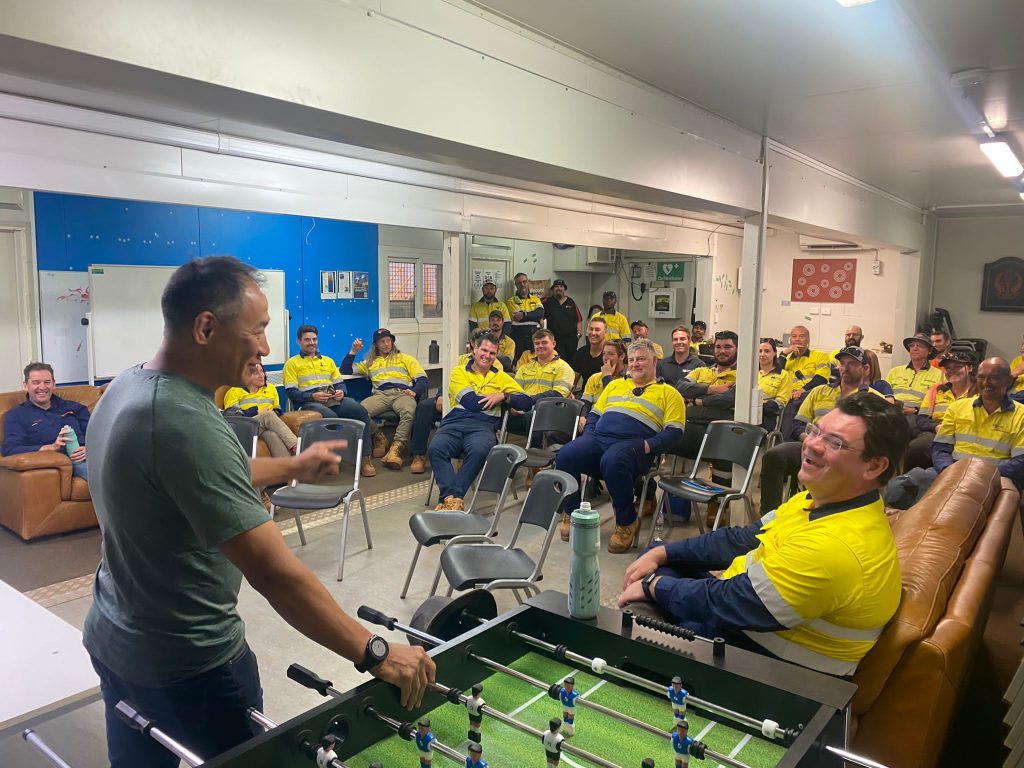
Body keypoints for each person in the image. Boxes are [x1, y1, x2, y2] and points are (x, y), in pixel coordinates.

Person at [81, 257, 433, 768]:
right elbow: (274, 572)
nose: (266, 348)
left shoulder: (128, 386)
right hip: (191, 666)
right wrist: (375, 651)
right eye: (258, 330)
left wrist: (292, 465)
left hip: (115, 639)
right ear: (206, 328)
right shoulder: (184, 422)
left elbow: (194, 476)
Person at [619, 392, 909, 677]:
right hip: (750, 619)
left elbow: (731, 602)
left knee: (637, 621)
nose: (812, 444)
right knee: (655, 559)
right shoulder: (818, 500)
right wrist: (664, 553)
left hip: (771, 667)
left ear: (874, 466)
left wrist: (654, 587)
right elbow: (742, 539)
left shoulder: (837, 546)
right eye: (815, 431)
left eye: (835, 443)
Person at [556, 339, 685, 553]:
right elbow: (595, 414)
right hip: (600, 438)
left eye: (641, 359)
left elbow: (675, 432)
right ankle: (572, 512)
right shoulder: (615, 385)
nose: (635, 364)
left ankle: (627, 522)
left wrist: (648, 445)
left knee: (614, 460)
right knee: (566, 454)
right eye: (632, 360)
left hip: (635, 446)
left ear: (654, 361)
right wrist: (590, 436)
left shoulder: (669, 393)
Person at [885, 357, 1024, 508]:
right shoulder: (957, 408)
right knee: (899, 487)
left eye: (993, 377)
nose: (985, 383)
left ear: (1007, 381)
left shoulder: (1021, 415)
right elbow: (940, 448)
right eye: (981, 377)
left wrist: (978, 476)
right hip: (952, 471)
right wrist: (949, 471)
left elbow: (1019, 462)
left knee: (959, 506)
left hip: (994, 478)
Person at [759, 347, 885, 513]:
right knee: (774, 456)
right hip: (810, 445)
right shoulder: (819, 392)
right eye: (842, 363)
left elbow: (879, 440)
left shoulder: (874, 399)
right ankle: (769, 515)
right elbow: (797, 425)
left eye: (852, 364)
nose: (845, 368)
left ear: (865, 368)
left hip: (847, 454)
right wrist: (811, 441)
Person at [427, 333, 533, 510]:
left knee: (479, 451)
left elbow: (527, 402)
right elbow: (471, 403)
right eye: (484, 350)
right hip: (454, 423)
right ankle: (451, 498)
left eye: (492, 353)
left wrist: (504, 396)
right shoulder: (459, 372)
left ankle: (451, 499)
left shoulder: (502, 378)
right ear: (474, 349)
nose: (487, 355)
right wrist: (496, 398)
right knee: (436, 448)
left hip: (484, 426)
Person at [283, 324, 376, 477]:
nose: (312, 343)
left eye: (314, 339)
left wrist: (341, 392)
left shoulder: (328, 361)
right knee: (331, 416)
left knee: (360, 411)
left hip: (333, 399)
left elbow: (340, 384)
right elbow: (291, 392)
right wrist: (312, 396)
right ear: (299, 341)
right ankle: (332, 459)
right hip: (309, 402)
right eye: (307, 340)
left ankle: (365, 458)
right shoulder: (292, 363)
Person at [673, 331, 739, 524]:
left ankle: (717, 504)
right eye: (718, 347)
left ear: (737, 349)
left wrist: (696, 400)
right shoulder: (701, 371)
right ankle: (648, 497)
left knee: (725, 447)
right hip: (691, 426)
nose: (722, 351)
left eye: (727, 347)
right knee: (655, 439)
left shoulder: (743, 374)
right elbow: (680, 387)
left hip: (720, 429)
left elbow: (729, 399)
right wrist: (712, 389)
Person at [341, 328, 427, 470]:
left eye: (388, 341)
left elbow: (422, 378)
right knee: (358, 412)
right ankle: (379, 436)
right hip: (381, 395)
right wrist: (353, 351)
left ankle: (396, 449)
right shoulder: (370, 362)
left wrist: (414, 391)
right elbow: (345, 370)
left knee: (409, 411)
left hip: (402, 393)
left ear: (392, 342)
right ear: (376, 345)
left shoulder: (405, 358)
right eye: (382, 342)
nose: (386, 344)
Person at [2, 362, 90, 481]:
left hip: (91, 455)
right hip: (64, 462)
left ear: (54, 384)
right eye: (36, 382)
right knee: (105, 475)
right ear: (26, 385)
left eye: (47, 382)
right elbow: (10, 449)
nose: (42, 387)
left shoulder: (75, 408)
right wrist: (50, 447)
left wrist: (89, 448)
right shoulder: (16, 415)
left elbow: (97, 434)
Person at [902, 351, 975, 470]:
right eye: (948, 368)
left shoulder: (978, 393)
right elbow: (922, 418)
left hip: (965, 436)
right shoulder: (937, 391)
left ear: (970, 368)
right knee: (917, 448)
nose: (952, 371)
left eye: (958, 366)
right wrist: (936, 427)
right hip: (937, 433)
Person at [507, 329, 575, 440]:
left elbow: (558, 394)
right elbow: (514, 390)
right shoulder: (524, 368)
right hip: (522, 411)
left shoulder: (564, 368)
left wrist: (528, 402)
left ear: (553, 344)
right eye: (537, 343)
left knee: (533, 413)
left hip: (551, 412)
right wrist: (515, 405)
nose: (540, 346)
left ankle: (534, 449)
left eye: (544, 342)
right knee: (499, 410)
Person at [222, 359, 297, 457]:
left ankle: (287, 465)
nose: (262, 375)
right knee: (268, 415)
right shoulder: (235, 391)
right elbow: (233, 416)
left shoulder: (271, 389)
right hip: (245, 427)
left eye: (262, 371)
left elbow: (277, 409)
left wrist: (273, 413)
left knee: (272, 435)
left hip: (263, 428)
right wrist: (257, 411)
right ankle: (296, 445)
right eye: (256, 373)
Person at [884, 332, 942, 415]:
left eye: (919, 345)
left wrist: (916, 410)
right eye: (912, 345)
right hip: (892, 413)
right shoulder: (895, 371)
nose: (915, 348)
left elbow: (940, 403)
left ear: (929, 351)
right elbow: (883, 394)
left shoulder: (939, 375)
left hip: (919, 416)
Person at [580, 339, 628, 425]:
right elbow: (586, 402)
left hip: (613, 421)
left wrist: (607, 377)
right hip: (593, 419)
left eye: (610, 354)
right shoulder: (594, 378)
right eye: (604, 354)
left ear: (622, 356)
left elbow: (614, 402)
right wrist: (582, 416)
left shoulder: (629, 378)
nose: (605, 358)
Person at [757, 338, 793, 432]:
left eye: (767, 351)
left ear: (774, 353)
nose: (762, 354)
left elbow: (781, 403)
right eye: (760, 351)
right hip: (745, 413)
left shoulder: (783, 375)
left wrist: (758, 407)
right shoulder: (751, 373)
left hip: (767, 417)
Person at [506, 272, 545, 362]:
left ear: (528, 282)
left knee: (535, 361)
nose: (522, 284)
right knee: (518, 362)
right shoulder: (512, 300)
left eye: (524, 282)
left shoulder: (536, 299)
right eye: (519, 283)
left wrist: (525, 314)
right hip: (518, 336)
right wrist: (535, 316)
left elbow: (540, 313)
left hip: (534, 335)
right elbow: (518, 318)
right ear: (516, 285)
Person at [542, 278, 583, 360]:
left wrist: (578, 335)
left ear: (564, 289)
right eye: (556, 286)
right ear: (553, 289)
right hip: (555, 340)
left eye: (561, 286)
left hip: (571, 340)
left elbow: (579, 320)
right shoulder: (547, 302)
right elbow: (539, 315)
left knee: (572, 362)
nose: (559, 288)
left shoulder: (571, 302)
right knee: (558, 362)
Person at [571, 316, 609, 392]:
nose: (593, 333)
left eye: (597, 330)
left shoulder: (611, 354)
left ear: (605, 332)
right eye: (591, 329)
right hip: (586, 395)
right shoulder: (581, 352)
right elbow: (573, 382)